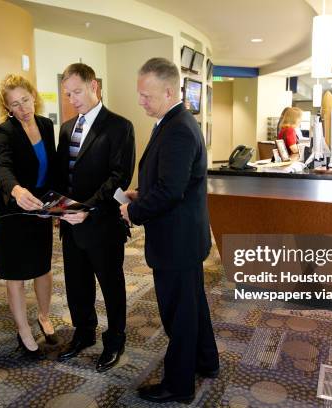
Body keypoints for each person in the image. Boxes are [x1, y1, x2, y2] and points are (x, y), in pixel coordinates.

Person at [120, 58, 219, 404]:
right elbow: (167, 180)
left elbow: (170, 191)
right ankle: (207, 362)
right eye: (140, 95)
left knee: (178, 313)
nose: (141, 102)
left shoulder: (177, 127)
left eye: (146, 96)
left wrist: (134, 210)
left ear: (167, 90)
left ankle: (178, 385)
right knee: (192, 306)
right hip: (184, 237)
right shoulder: (174, 121)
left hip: (176, 241)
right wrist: (140, 192)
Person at [56, 63, 135, 373]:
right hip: (70, 223)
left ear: (94, 87)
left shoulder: (119, 126)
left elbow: (119, 176)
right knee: (77, 284)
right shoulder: (66, 128)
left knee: (111, 284)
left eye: (77, 91)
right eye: (67, 94)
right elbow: (64, 175)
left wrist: (85, 207)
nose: (72, 99)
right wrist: (59, 207)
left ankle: (115, 339)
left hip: (102, 222)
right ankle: (84, 332)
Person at [0, 74, 57, 358]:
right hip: (13, 212)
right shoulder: (4, 131)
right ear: (8, 108)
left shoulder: (45, 125)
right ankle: (23, 330)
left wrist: (56, 205)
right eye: (15, 105)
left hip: (40, 208)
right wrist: (16, 189)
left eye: (26, 100)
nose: (23, 108)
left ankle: (44, 316)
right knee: (16, 275)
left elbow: (52, 169)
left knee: (43, 267)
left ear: (34, 96)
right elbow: (2, 166)